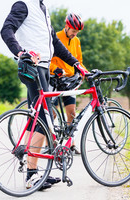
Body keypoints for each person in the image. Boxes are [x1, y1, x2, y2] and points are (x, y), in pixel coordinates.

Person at [0, 0, 88, 190]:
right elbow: (6, 29)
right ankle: (31, 174)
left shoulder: (41, 8)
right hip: (33, 67)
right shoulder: (23, 4)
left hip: (43, 68)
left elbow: (54, 44)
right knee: (43, 118)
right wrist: (21, 52)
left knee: (40, 118)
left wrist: (76, 63)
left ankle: (35, 172)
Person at [49, 13, 87, 154]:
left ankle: (71, 144)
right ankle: (51, 144)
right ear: (66, 26)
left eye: (77, 32)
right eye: (73, 31)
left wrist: (84, 72)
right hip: (55, 79)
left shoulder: (76, 41)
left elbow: (78, 60)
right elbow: (49, 60)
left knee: (71, 114)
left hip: (69, 82)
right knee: (51, 114)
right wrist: (55, 69)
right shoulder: (56, 37)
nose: (74, 34)